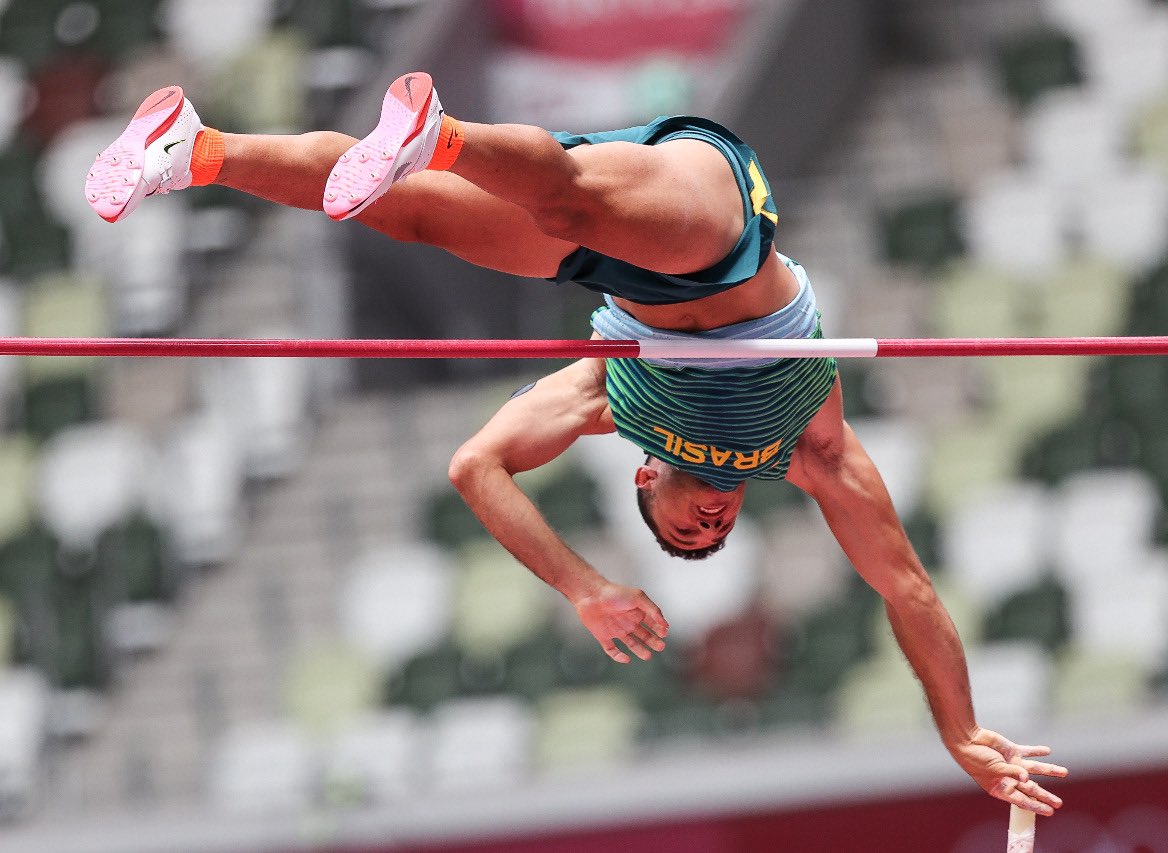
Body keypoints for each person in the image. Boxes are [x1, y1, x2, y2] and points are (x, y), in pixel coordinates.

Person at [88, 73, 1067, 816]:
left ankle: (298, 143)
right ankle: (320, 138)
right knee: (491, 205)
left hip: (640, 234)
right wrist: (961, 727)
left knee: (442, 212)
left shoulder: (610, 395)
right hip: (713, 235)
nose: (709, 521)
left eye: (683, 531)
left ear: (644, 472)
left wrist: (583, 587)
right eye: (712, 531)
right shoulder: (807, 450)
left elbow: (475, 465)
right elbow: (904, 584)